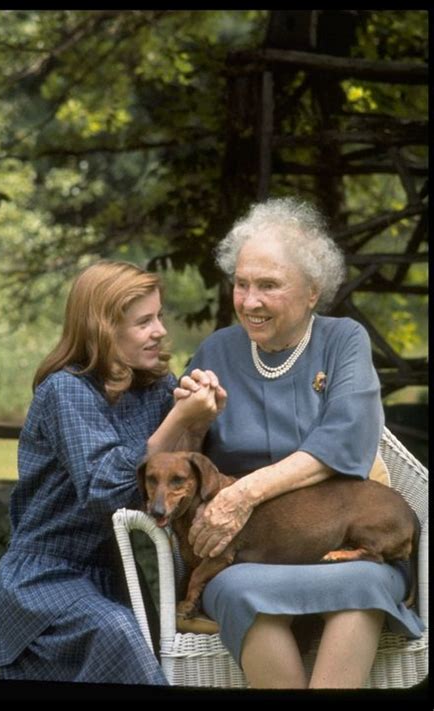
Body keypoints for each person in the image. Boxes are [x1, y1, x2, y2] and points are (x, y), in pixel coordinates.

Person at [176, 197, 424, 689]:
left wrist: (243, 494)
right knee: (242, 591)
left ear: (312, 292)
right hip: (248, 556)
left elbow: (347, 440)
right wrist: (189, 418)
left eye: (268, 285)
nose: (249, 301)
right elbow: (179, 460)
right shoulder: (216, 350)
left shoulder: (342, 339)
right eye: (242, 284)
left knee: (365, 584)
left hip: (346, 542)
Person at [0, 260, 224, 684]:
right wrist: (177, 419)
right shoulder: (66, 390)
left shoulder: (154, 386)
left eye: (159, 316)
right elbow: (108, 490)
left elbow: (175, 479)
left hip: (112, 573)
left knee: (148, 650)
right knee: (118, 634)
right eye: (144, 321)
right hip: (45, 576)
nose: (160, 331)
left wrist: (197, 423)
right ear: (103, 329)